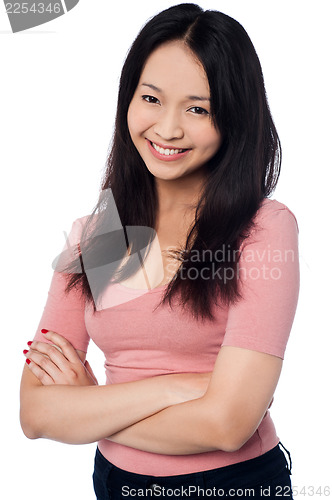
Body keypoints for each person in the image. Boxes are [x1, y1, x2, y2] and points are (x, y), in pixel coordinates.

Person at [20, 3, 299, 499]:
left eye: (198, 109)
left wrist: (90, 410)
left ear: (234, 117)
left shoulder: (262, 230)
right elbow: (36, 414)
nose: (167, 129)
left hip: (230, 485)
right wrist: (176, 388)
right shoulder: (102, 234)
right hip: (114, 482)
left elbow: (226, 426)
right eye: (151, 98)